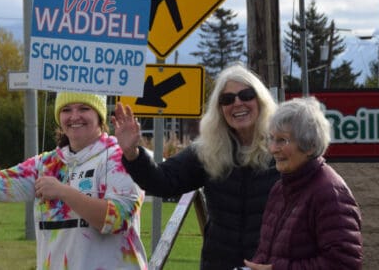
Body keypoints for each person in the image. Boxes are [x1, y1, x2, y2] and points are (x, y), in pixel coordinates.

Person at [0, 92, 147, 270]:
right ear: (59, 116)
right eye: (66, 109)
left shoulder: (123, 158)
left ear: (99, 115)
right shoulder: (47, 164)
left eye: (84, 108)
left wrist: (63, 191)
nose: (74, 116)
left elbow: (117, 220)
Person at [113, 63, 280, 270]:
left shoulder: (283, 148)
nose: (237, 103)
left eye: (246, 95)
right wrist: (132, 154)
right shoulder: (207, 150)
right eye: (227, 99)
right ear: (219, 109)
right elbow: (163, 181)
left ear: (261, 100)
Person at [243, 96, 363, 270]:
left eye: (282, 140)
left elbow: (344, 264)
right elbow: (268, 255)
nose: (273, 149)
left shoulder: (330, 193)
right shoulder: (280, 189)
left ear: (310, 146)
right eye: (271, 138)